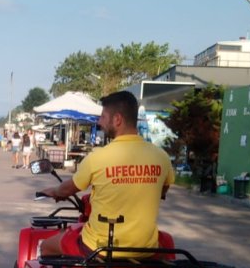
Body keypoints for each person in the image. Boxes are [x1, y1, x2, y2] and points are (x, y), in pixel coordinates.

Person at [38, 91, 174, 258]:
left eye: (103, 116)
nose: (99, 121)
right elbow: (162, 191)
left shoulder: (97, 158)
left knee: (46, 246)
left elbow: (67, 190)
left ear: (117, 119)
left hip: (98, 248)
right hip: (145, 248)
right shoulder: (161, 157)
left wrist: (55, 191)